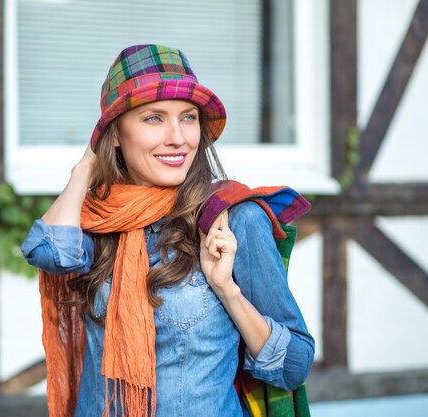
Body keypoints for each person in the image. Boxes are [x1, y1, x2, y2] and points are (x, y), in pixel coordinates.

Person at [21, 44, 314, 417]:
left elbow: (293, 366)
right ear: (115, 135)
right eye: (154, 118)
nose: (178, 137)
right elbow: (49, 254)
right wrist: (83, 172)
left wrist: (228, 290)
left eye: (188, 118)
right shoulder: (100, 219)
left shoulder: (232, 219)